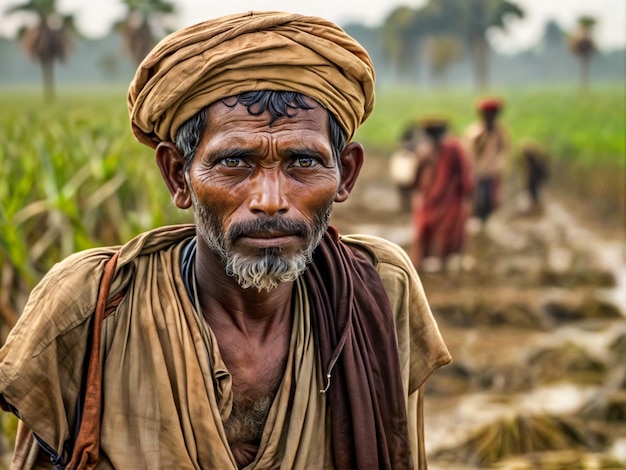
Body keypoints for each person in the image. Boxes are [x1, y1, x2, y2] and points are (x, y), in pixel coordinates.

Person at [0, 11, 451, 470]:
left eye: (302, 163)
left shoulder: (378, 290)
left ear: (346, 174)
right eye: (235, 162)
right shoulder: (93, 306)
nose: (271, 201)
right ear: (178, 175)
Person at [409, 117, 474, 272]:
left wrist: (466, 192)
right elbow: (416, 175)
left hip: (449, 197)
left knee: (449, 229)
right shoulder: (426, 150)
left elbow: (464, 172)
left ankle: (443, 261)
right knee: (424, 228)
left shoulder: (454, 148)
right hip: (429, 198)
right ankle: (421, 262)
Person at [464, 97, 511, 225]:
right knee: (478, 202)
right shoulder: (475, 133)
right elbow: (469, 154)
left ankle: (485, 224)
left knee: (491, 202)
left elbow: (505, 152)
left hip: (492, 173)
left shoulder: (501, 133)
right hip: (478, 173)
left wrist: (499, 167)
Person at [518, 138, 550, 214]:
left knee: (532, 188)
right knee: (533, 189)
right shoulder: (536, 154)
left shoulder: (529, 155)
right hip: (541, 173)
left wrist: (526, 180)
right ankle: (536, 205)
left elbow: (529, 169)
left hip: (538, 173)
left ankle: (536, 206)